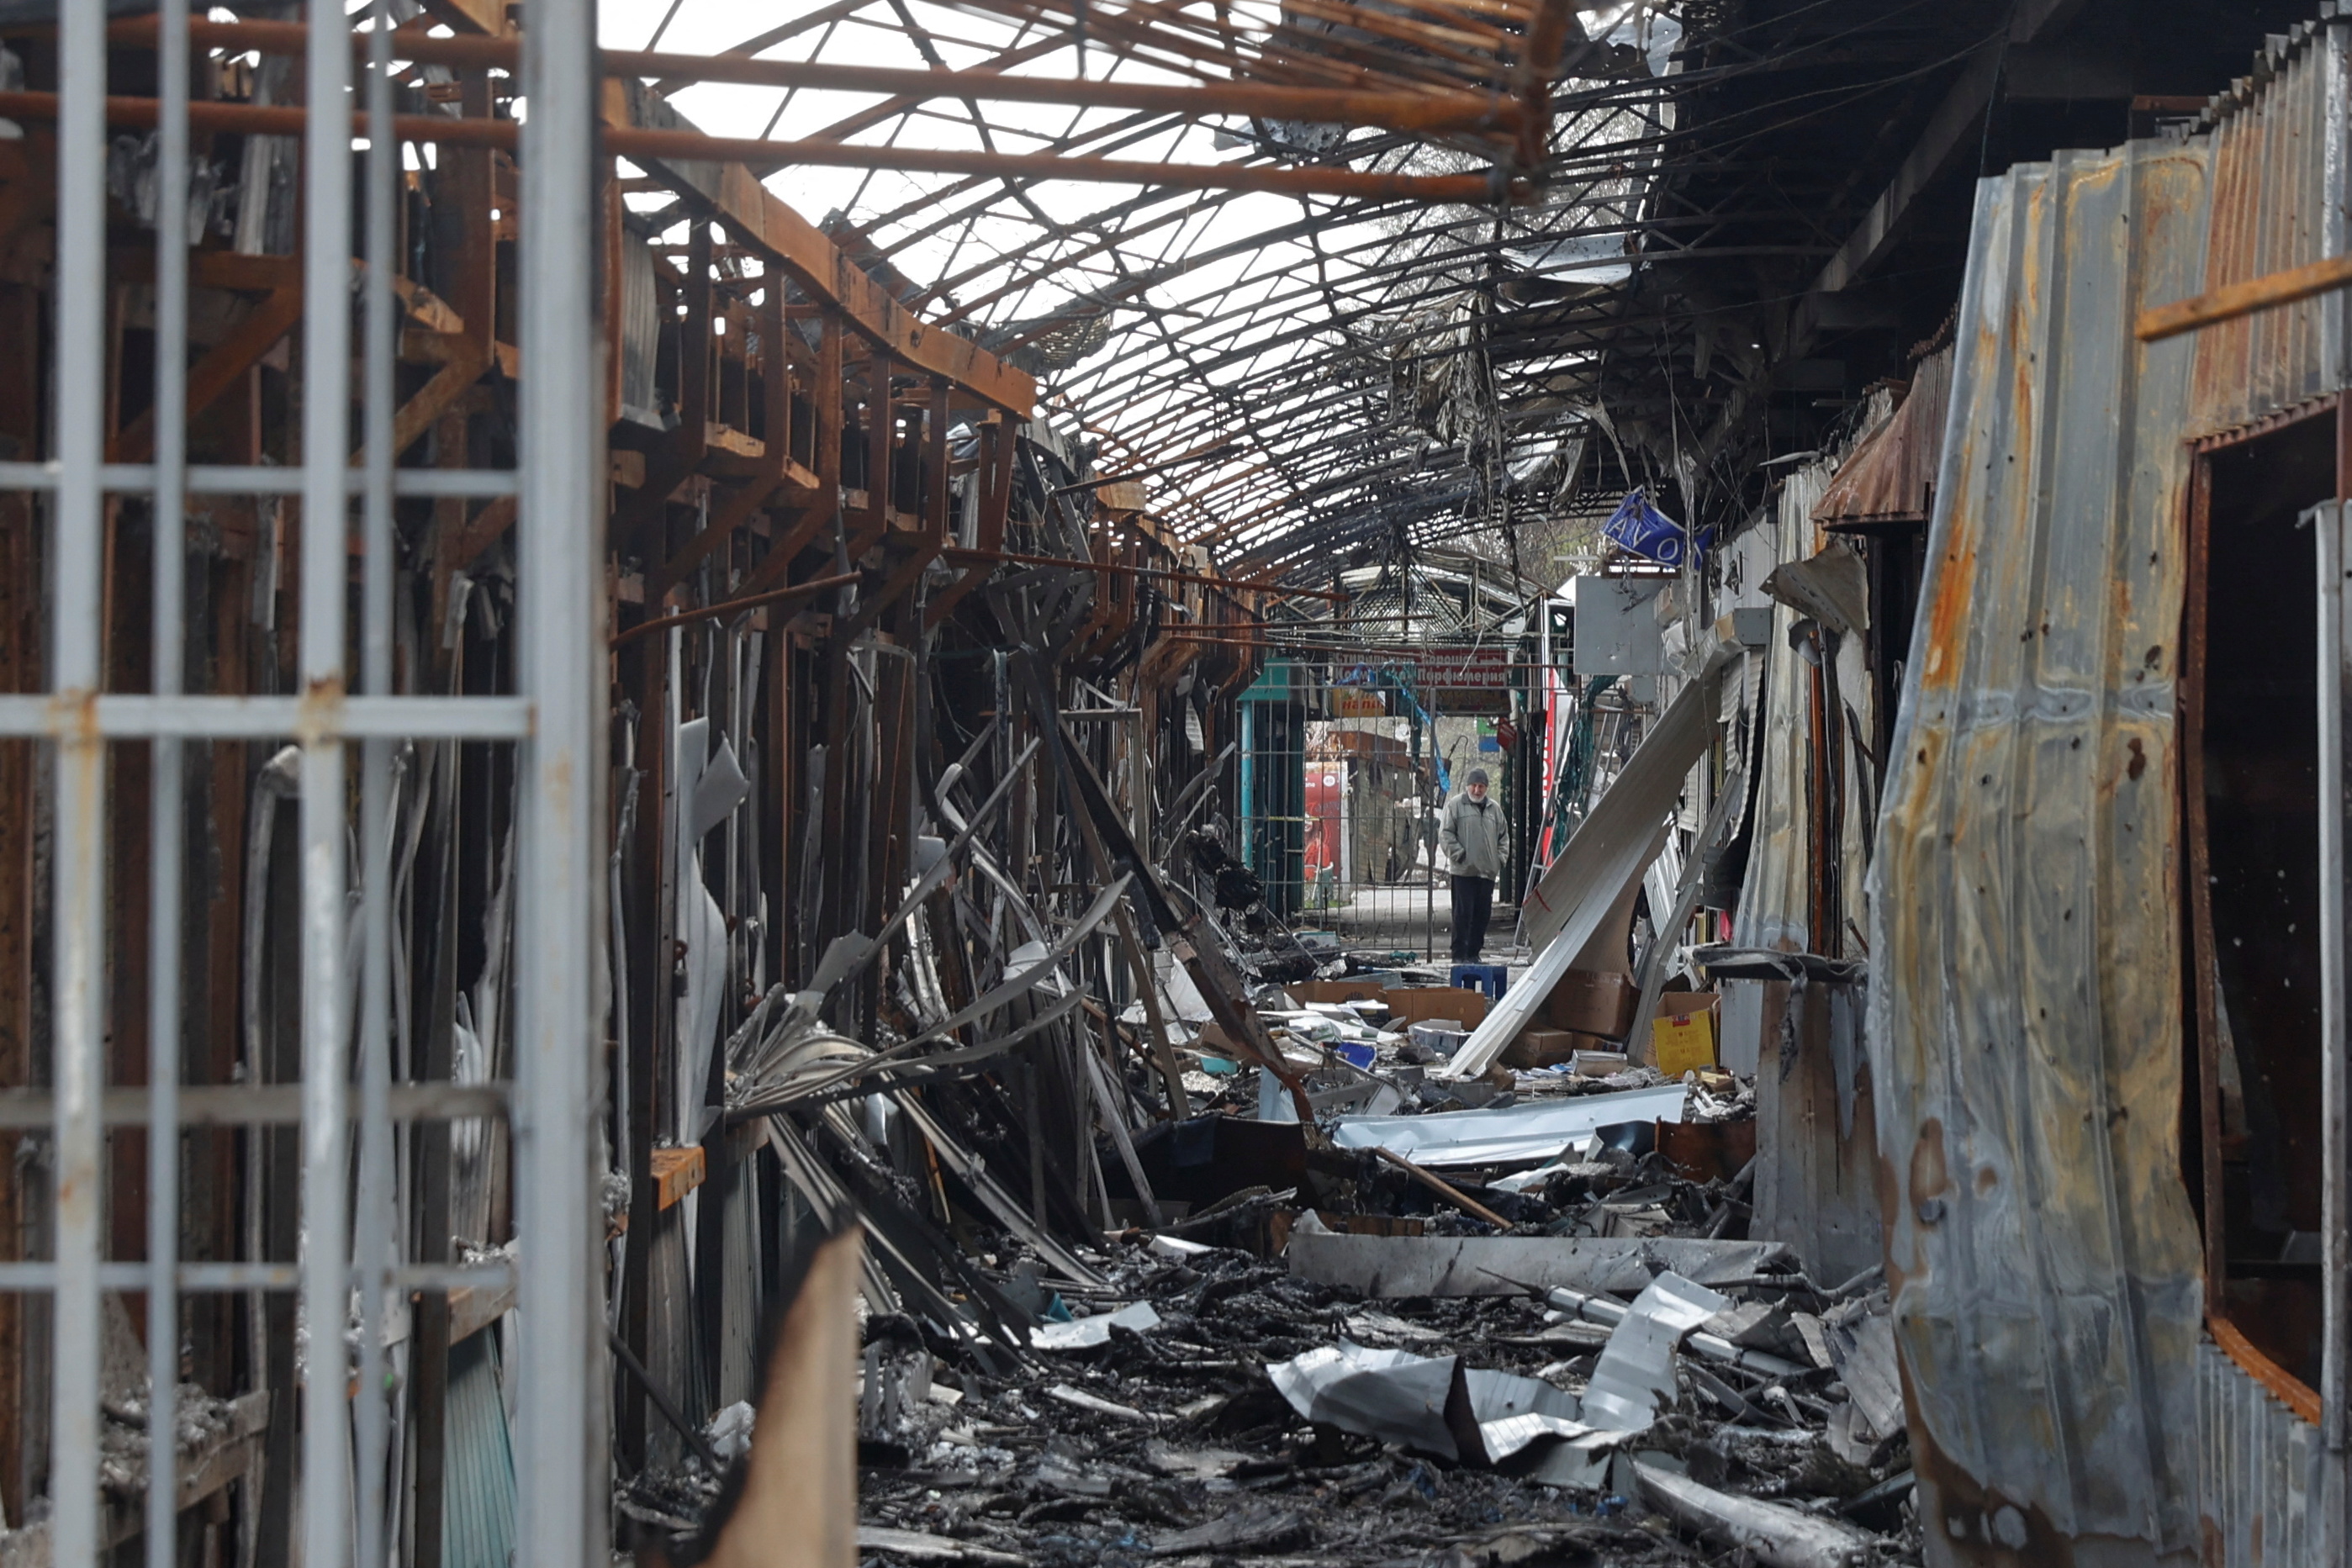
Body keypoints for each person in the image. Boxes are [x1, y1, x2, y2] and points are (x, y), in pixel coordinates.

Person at [1438, 768, 1502, 964]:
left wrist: (1499, 860)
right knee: (1463, 914)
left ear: (1486, 788)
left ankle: (1474, 953)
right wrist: (1459, 854)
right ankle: (1459, 955)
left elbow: (1504, 838)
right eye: (1474, 786)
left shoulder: (1495, 809)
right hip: (1464, 871)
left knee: (1482, 915)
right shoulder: (1455, 806)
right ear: (1468, 786)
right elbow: (1445, 834)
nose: (1477, 790)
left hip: (1486, 872)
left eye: (1481, 786)